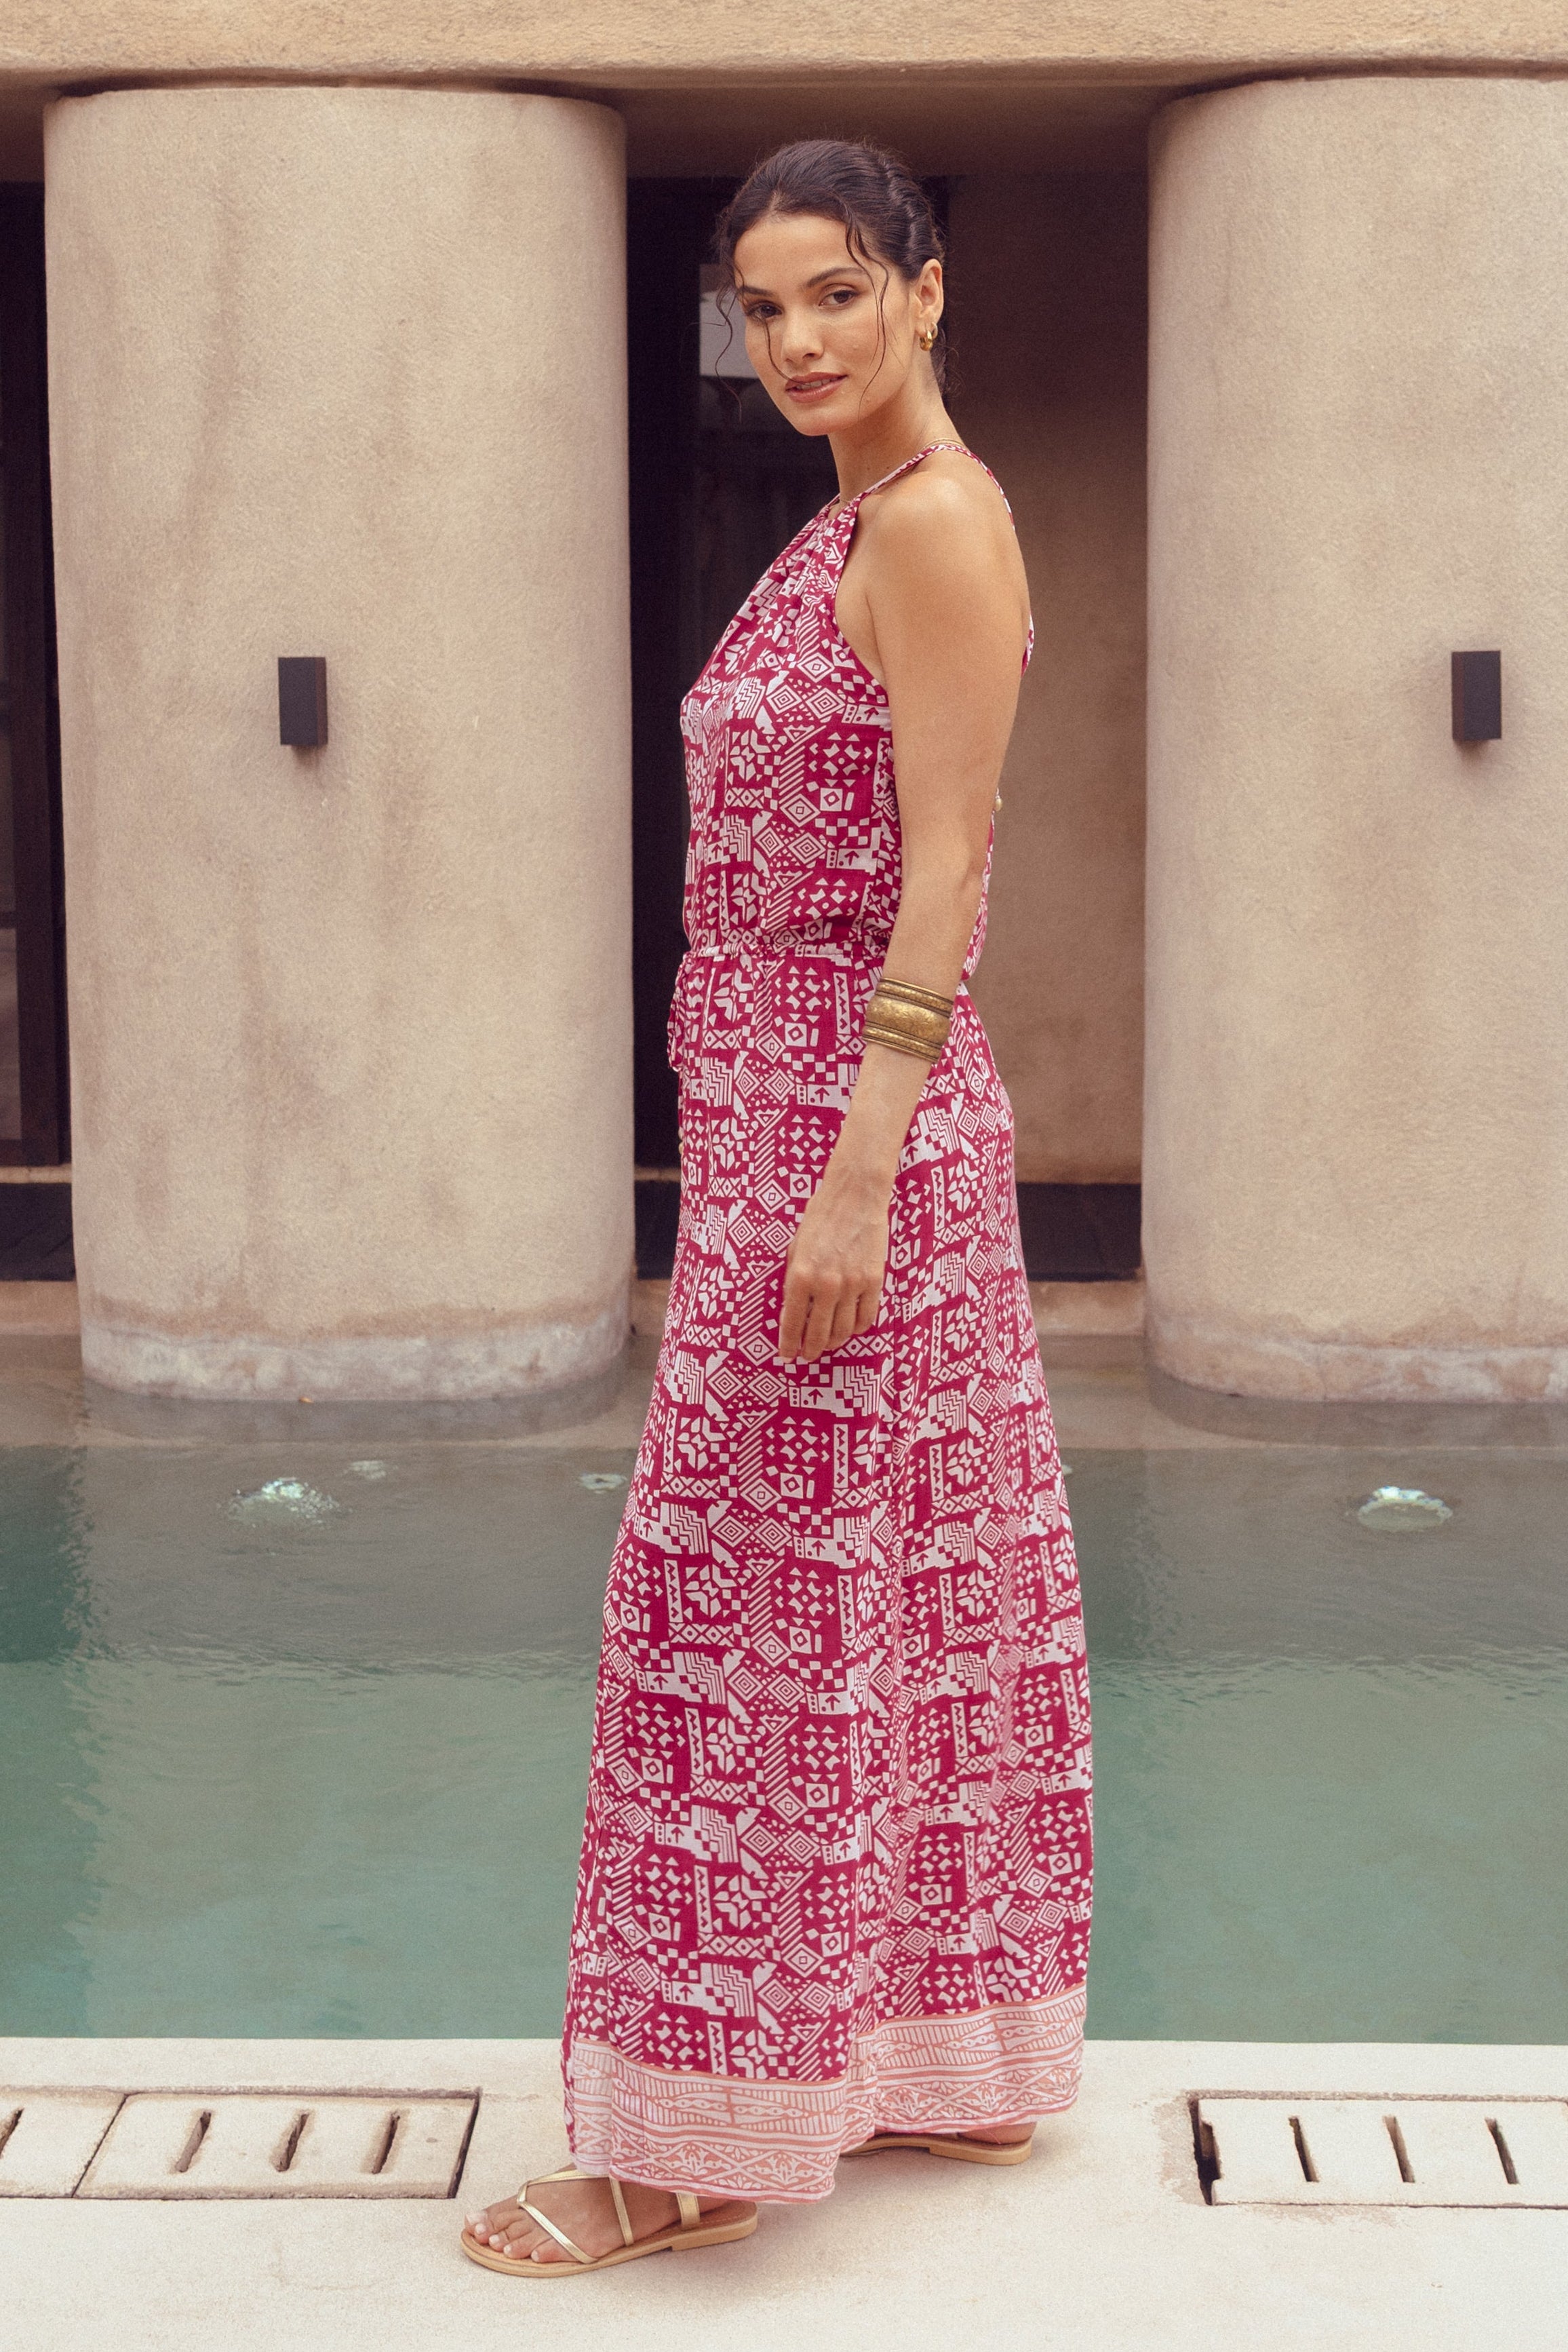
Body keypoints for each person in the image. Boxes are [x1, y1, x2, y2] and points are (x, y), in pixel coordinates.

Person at [464, 136, 1092, 2277]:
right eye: (764, 308)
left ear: (925, 285)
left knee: (735, 1626)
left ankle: (697, 2149)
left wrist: (849, 1172)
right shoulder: (849, 519)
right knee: (885, 1612)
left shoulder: (932, 525)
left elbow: (953, 867)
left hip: (848, 1148)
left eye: (837, 291)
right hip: (796, 1135)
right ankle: (942, 2073)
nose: (800, 338)